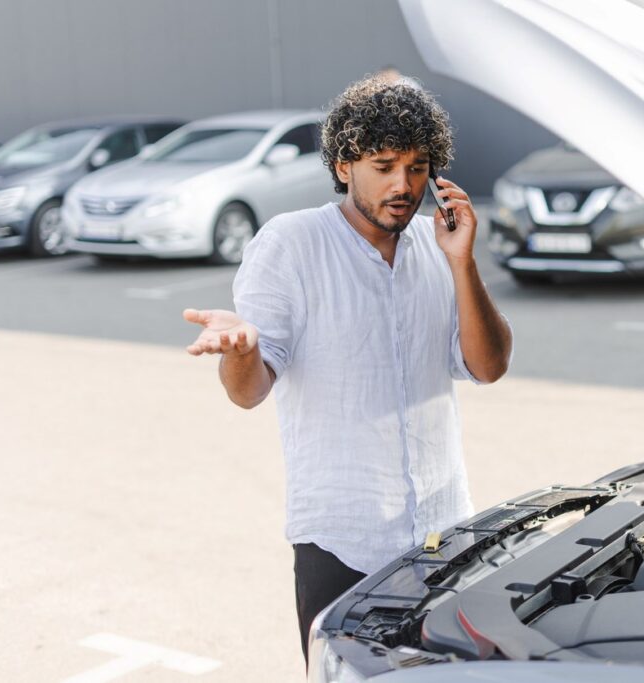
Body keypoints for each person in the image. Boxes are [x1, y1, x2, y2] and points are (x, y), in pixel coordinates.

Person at [182, 75, 513, 665]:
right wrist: (240, 350)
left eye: (416, 167)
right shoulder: (291, 244)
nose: (403, 185)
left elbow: (489, 367)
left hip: (444, 530)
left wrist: (462, 263)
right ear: (343, 167)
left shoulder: (436, 247)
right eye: (383, 165)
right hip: (342, 540)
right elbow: (249, 392)